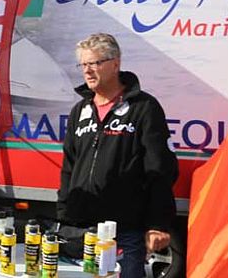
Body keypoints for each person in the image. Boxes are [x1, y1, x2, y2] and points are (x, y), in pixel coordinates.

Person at [57, 33, 178, 278]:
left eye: (94, 63)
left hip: (125, 232)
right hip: (81, 231)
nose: (87, 71)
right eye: (83, 64)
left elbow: (160, 168)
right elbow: (69, 167)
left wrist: (158, 223)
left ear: (115, 63)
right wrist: (63, 216)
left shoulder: (143, 108)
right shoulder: (79, 110)